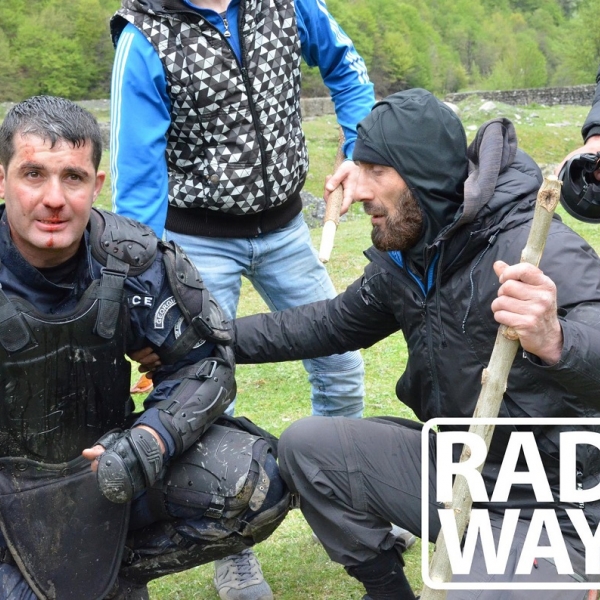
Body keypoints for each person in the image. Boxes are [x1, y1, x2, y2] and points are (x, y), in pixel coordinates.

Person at [229, 89, 600, 599]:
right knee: (309, 447)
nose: (358, 190)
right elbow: (327, 324)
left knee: (472, 589)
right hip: (461, 470)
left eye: (376, 171)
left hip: (554, 500)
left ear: (422, 175)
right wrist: (207, 338)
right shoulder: (412, 258)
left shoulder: (533, 248)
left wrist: (556, 340)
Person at [108, 0, 373, 595]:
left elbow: (346, 66)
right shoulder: (143, 35)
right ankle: (230, 540)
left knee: (341, 367)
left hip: (287, 231)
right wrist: (144, 296)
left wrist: (359, 150)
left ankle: (347, 505)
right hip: (195, 242)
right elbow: (137, 184)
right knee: (201, 390)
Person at [0, 95, 290, 600]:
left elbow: (206, 364)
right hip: (6, 489)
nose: (54, 198)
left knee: (252, 479)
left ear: (97, 184)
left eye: (72, 177)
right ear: (2, 180)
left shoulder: (132, 259)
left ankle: (117, 574)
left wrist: (151, 439)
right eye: (33, 174)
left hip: (106, 471)